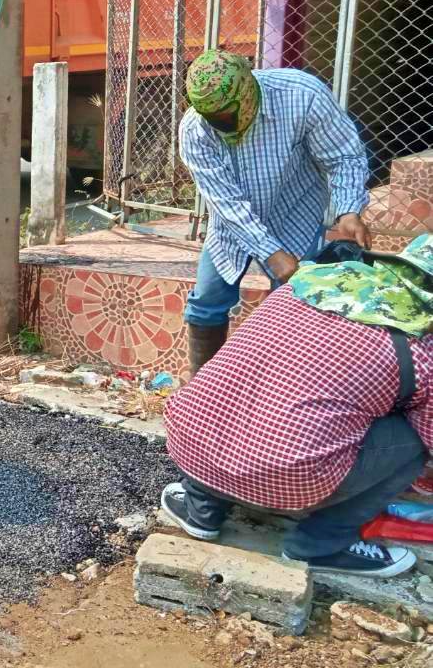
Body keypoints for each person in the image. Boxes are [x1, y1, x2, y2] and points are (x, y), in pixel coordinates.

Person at [160, 235, 433, 577]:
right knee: (414, 441)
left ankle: (200, 509)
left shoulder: (300, 286)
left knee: (232, 400)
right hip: (285, 474)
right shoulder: (420, 344)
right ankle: (322, 544)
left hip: (190, 443)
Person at [179, 49, 370, 373]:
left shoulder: (301, 95)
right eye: (211, 117)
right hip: (233, 226)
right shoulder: (195, 131)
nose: (219, 124)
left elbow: (343, 157)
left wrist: (348, 211)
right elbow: (226, 203)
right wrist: (271, 253)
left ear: (247, 93)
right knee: (206, 304)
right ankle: (202, 394)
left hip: (294, 212)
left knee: (295, 306)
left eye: (226, 115)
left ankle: (281, 392)